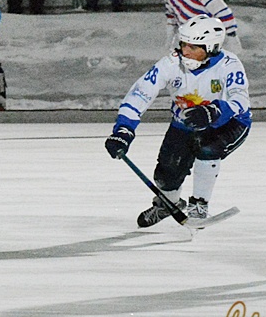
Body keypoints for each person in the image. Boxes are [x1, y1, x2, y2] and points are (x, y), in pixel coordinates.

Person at [104, 15, 251, 227]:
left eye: (193, 46)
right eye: (183, 44)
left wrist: (214, 111)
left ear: (211, 47)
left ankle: (199, 204)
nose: (185, 51)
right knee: (165, 175)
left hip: (229, 123)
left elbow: (240, 100)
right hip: (185, 124)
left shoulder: (230, 64)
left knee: (207, 149)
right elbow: (140, 93)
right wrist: (124, 129)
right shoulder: (170, 64)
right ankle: (168, 204)